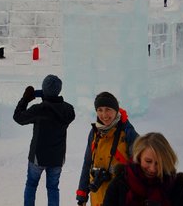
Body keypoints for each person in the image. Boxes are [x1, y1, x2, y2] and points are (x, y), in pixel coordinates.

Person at [13, 74, 76, 206]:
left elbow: (18, 117)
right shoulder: (68, 110)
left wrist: (25, 99)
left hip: (38, 157)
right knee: (53, 188)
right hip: (57, 158)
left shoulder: (39, 109)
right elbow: (57, 104)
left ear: (44, 90)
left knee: (31, 185)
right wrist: (47, 95)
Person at [76, 92, 139, 206]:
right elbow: (87, 164)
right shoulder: (94, 132)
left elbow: (139, 169)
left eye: (108, 109)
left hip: (120, 198)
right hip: (97, 197)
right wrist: (82, 195)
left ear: (116, 110)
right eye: (100, 110)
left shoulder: (128, 133)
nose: (104, 115)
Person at [102, 132, 183, 206]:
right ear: (139, 157)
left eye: (158, 163)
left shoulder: (177, 187)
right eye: (148, 161)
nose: (152, 169)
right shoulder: (120, 184)